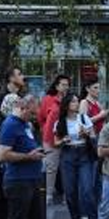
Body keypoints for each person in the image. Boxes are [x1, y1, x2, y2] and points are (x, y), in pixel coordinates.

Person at [0, 95, 72, 219]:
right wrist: (29, 157)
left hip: (32, 179)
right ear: (22, 108)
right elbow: (3, 155)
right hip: (18, 181)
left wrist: (36, 152)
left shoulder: (24, 124)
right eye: (31, 113)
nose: (33, 116)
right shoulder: (10, 125)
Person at [56, 93, 97, 219]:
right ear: (67, 105)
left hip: (83, 153)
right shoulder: (60, 122)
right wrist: (63, 140)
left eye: (77, 101)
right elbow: (55, 142)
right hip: (68, 155)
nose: (77, 103)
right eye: (73, 101)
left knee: (87, 189)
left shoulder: (84, 118)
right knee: (70, 191)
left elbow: (93, 136)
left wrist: (86, 134)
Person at [39, 74, 71, 202]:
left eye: (67, 85)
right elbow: (41, 117)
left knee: (65, 167)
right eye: (63, 84)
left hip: (67, 138)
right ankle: (48, 195)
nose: (65, 87)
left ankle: (65, 195)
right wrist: (46, 129)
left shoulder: (69, 99)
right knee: (51, 167)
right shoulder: (48, 99)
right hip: (50, 138)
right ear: (57, 86)